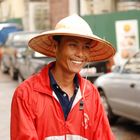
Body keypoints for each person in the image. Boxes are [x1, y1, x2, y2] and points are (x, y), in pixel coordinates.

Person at [10, 14, 116, 140]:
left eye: (86, 47)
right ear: (56, 47)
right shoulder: (26, 94)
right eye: (73, 45)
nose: (80, 54)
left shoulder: (91, 94)